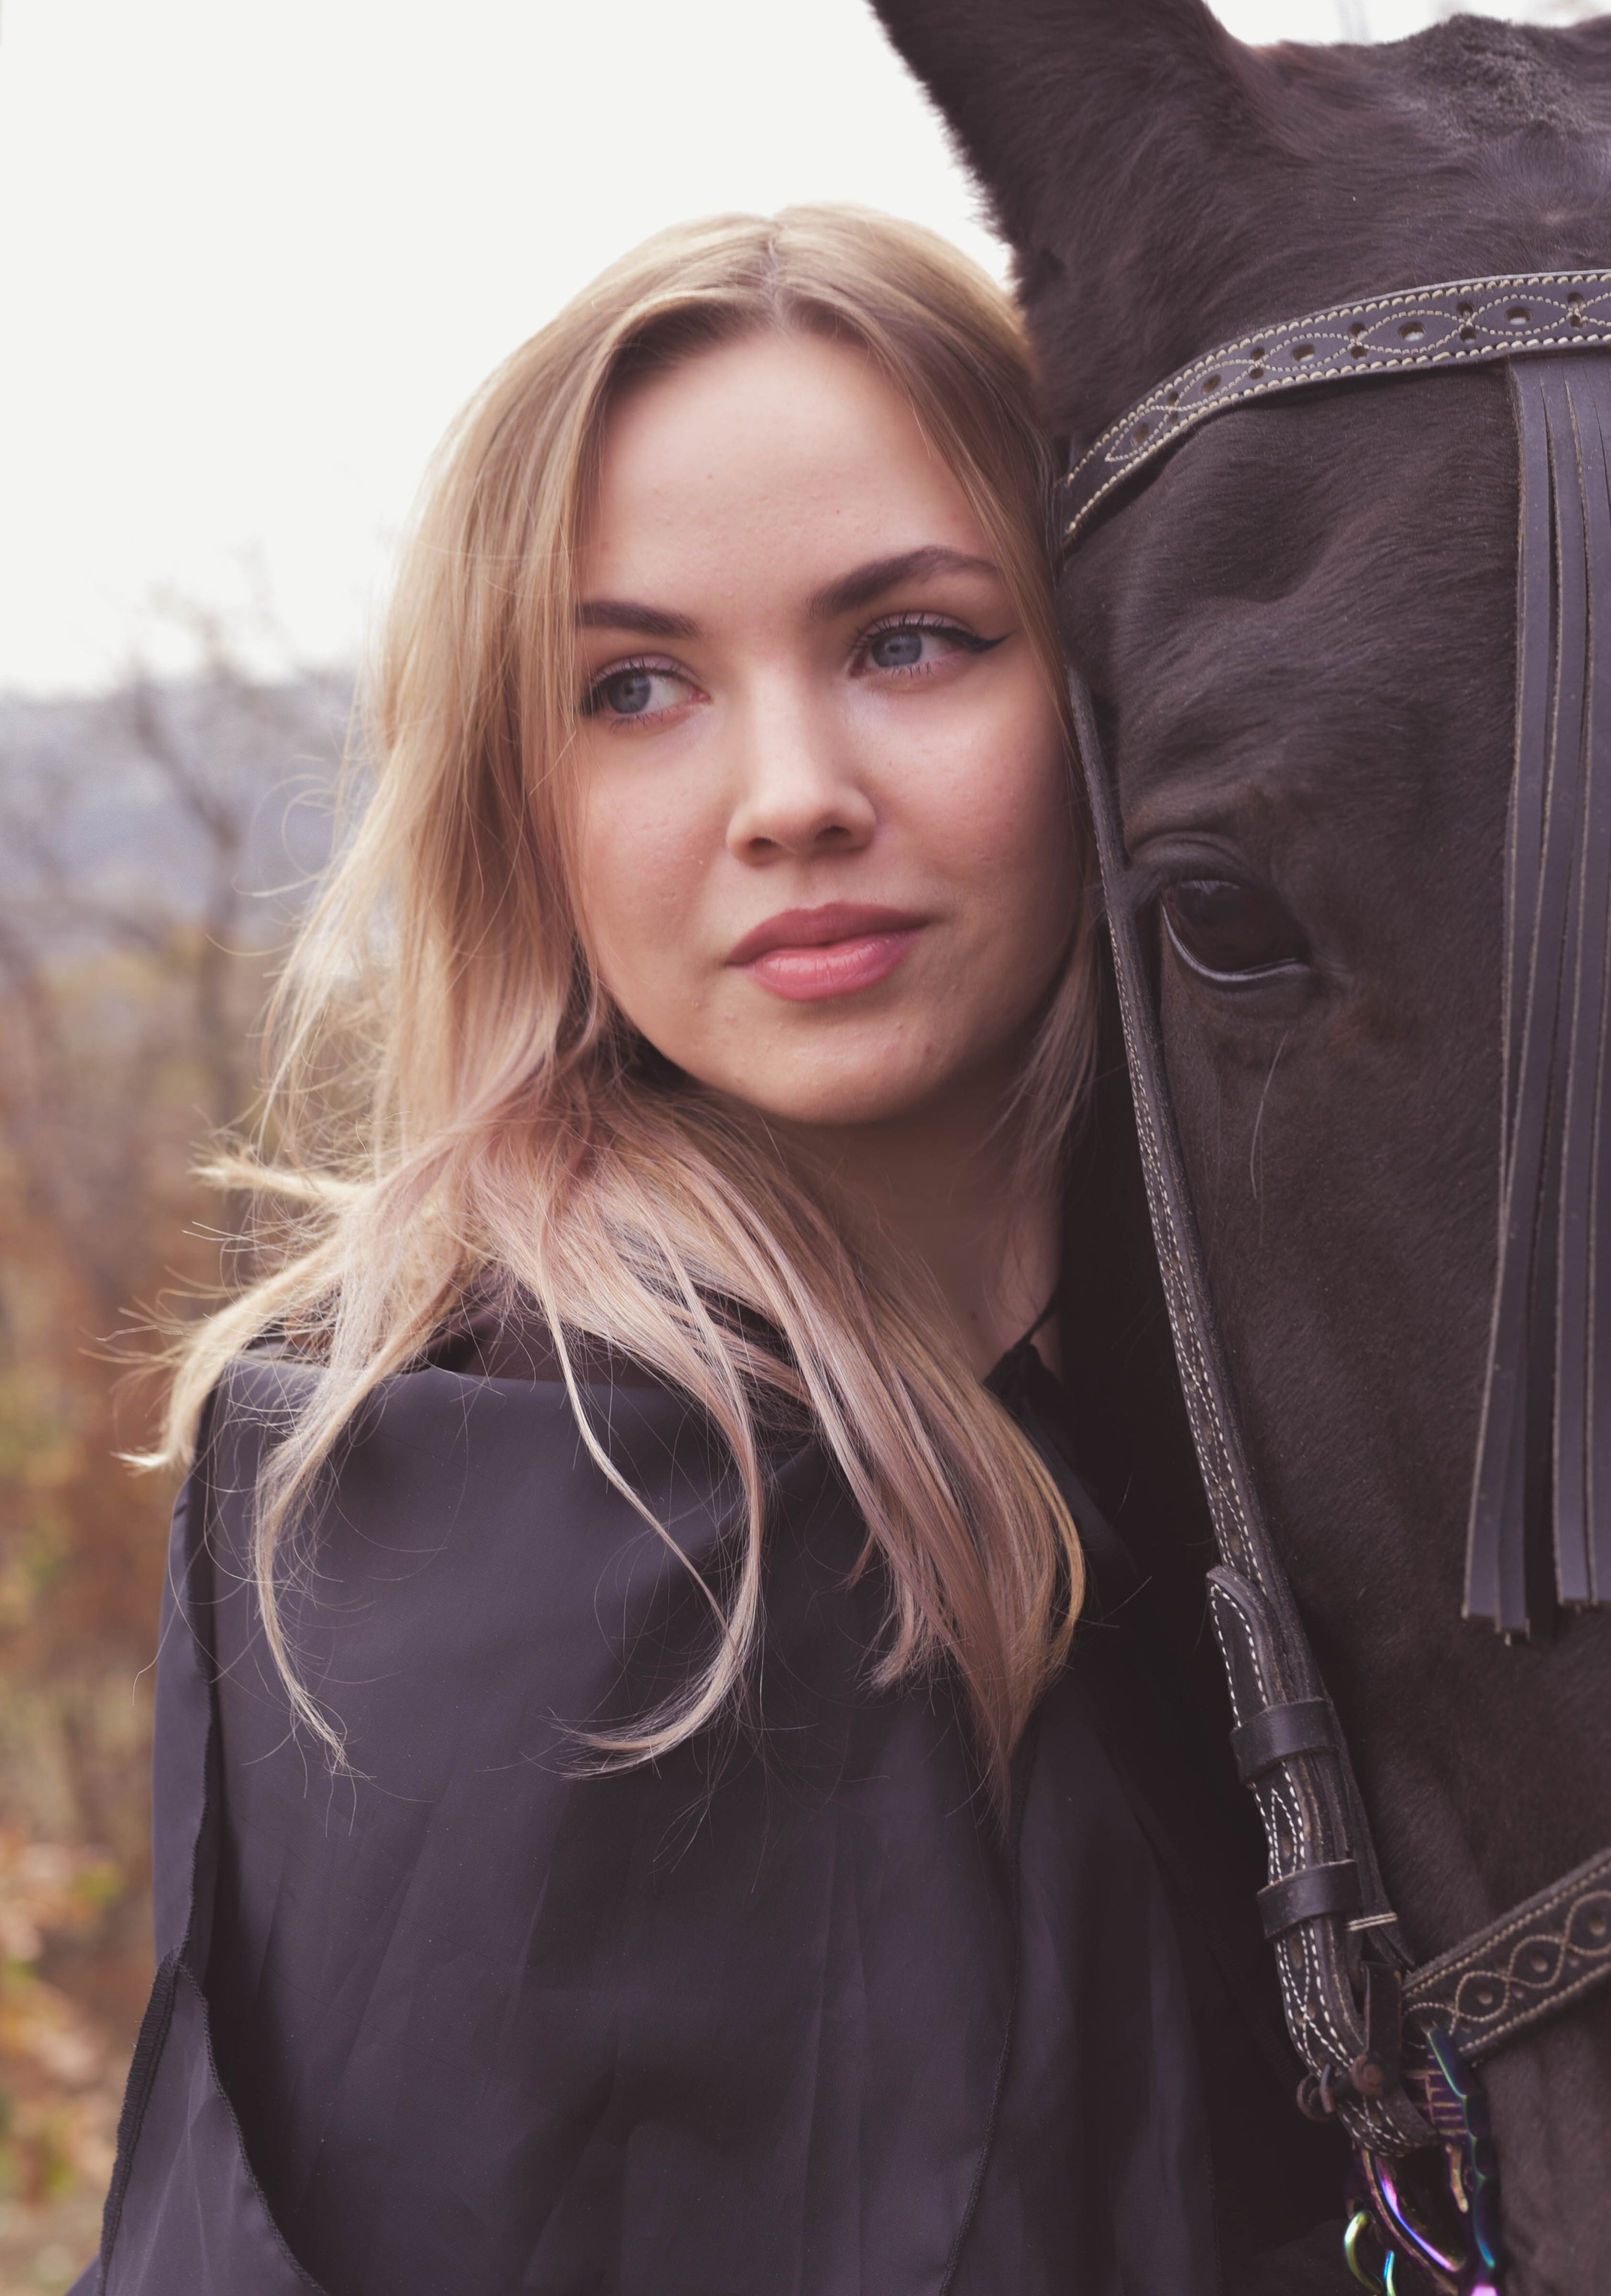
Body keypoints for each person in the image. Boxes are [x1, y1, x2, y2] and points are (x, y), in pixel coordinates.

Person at [80, 208, 1347, 2295]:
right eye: (638, 686)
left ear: (1112, 676)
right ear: (521, 800)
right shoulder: (540, 1539)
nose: (791, 796)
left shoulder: (1252, 1393)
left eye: (912, 638)